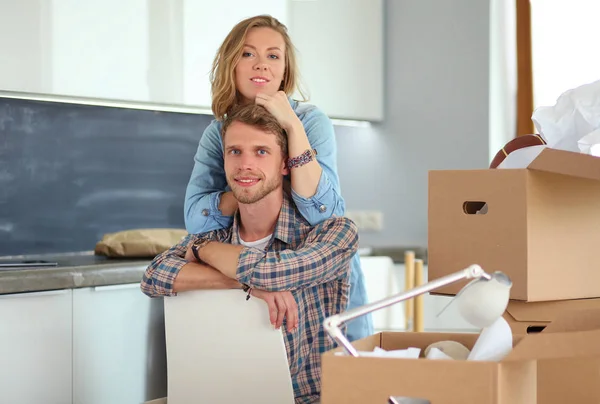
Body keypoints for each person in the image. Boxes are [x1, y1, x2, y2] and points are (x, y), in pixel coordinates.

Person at [142, 104, 358, 403]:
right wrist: (244, 284)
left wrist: (203, 251)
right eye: (235, 152)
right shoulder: (216, 232)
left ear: (285, 164)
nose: (245, 164)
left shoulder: (334, 233)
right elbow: (154, 276)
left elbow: (272, 273)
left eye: (261, 152)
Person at [183, 14, 372, 341]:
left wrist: (292, 127)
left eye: (273, 56)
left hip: (320, 276)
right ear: (232, 64)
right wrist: (249, 185)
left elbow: (323, 212)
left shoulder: (311, 122)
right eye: (248, 54)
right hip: (252, 278)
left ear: (285, 70)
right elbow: (196, 221)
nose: (261, 65)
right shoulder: (217, 133)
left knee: (343, 380)